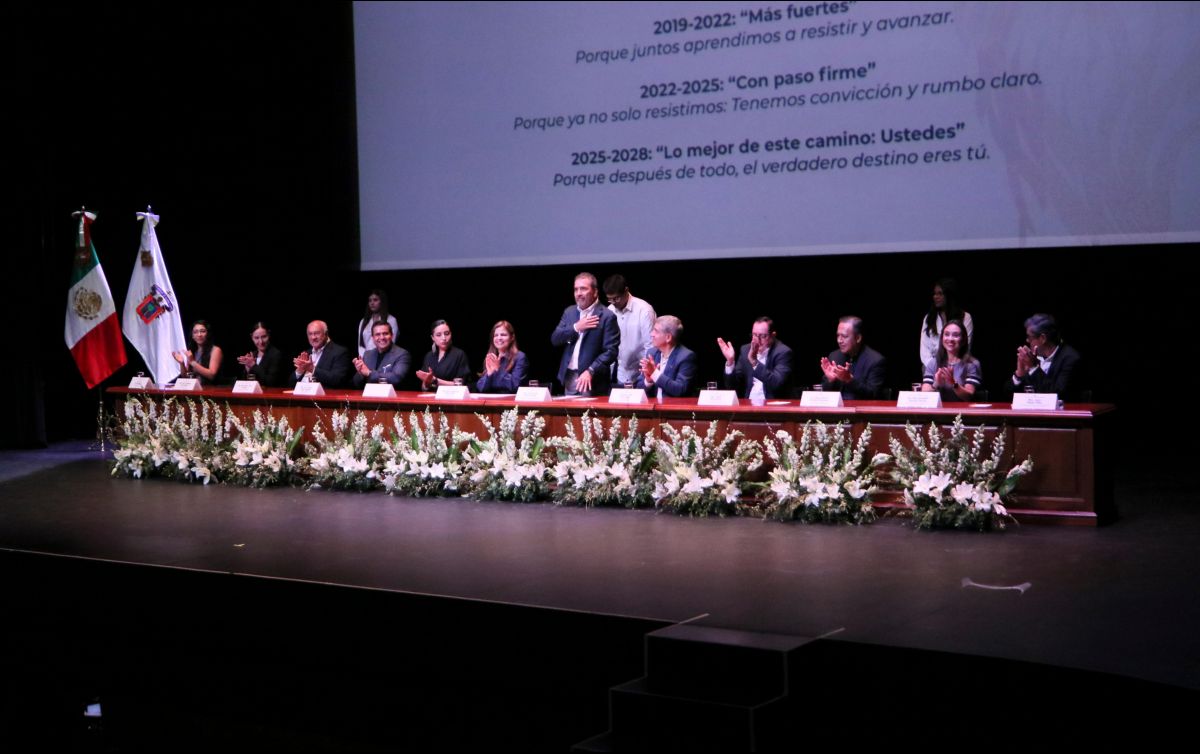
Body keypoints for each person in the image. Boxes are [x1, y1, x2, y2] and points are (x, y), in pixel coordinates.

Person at [552, 272, 620, 396]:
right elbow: (555, 339)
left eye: (583, 289)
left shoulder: (607, 316)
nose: (578, 293)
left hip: (593, 379)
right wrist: (576, 327)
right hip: (570, 377)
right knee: (568, 414)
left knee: (589, 415)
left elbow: (611, 351)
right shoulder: (569, 312)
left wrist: (591, 370)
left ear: (595, 292)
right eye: (576, 289)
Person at [717, 316, 794, 400]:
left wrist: (754, 362)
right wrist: (730, 362)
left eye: (763, 336)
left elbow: (776, 383)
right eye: (754, 335)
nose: (757, 340)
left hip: (772, 405)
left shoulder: (783, 352)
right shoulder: (745, 350)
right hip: (748, 405)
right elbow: (732, 386)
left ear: (773, 335)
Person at [1013, 313, 1083, 399]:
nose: (1027, 340)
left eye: (1029, 337)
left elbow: (1057, 394)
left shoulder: (1070, 358)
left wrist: (1034, 368)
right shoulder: (1034, 357)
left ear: (1043, 338)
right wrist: (1020, 373)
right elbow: (1008, 396)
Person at [604, 274, 656, 388]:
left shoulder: (644, 310)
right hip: (620, 372)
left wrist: (646, 374)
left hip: (642, 373)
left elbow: (651, 346)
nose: (613, 302)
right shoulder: (610, 310)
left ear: (626, 291)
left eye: (616, 298)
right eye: (609, 299)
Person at [820, 316, 886, 399]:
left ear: (858, 338)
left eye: (844, 336)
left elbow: (874, 395)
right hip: (836, 411)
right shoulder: (834, 356)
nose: (839, 340)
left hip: (861, 410)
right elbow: (824, 394)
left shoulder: (875, 360)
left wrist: (850, 380)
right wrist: (830, 380)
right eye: (838, 336)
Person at [636, 315, 696, 398]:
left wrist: (655, 374)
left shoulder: (686, 356)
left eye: (656, 331)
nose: (651, 334)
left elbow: (680, 389)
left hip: (674, 409)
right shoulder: (652, 353)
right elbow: (638, 388)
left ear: (668, 337)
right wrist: (648, 381)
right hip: (651, 408)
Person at [920, 278, 974, 370]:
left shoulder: (965, 317)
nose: (935, 297)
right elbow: (924, 349)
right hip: (933, 366)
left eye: (940, 294)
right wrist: (935, 368)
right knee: (926, 369)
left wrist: (952, 367)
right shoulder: (929, 318)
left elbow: (966, 346)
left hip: (958, 365)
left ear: (949, 295)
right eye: (935, 293)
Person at [921, 319, 981, 402]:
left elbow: (968, 396)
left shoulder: (971, 364)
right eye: (947, 334)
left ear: (963, 340)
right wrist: (936, 383)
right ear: (942, 339)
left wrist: (953, 383)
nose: (950, 339)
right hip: (939, 412)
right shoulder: (934, 363)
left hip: (963, 412)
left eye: (955, 335)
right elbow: (924, 394)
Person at [290, 320, 353, 388]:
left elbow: (338, 380)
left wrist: (312, 369)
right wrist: (299, 371)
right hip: (301, 395)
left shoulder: (340, 352)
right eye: (310, 334)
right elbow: (290, 384)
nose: (313, 337)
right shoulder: (306, 353)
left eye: (317, 333)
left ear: (326, 334)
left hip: (323, 396)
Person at [352, 321, 411, 389]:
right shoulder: (368, 354)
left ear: (392, 335)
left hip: (392, 397)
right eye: (377, 334)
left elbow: (396, 378)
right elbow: (356, 384)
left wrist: (369, 373)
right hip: (369, 397)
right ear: (373, 338)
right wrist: (360, 373)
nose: (382, 337)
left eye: (385, 333)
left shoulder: (402, 354)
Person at [415, 319, 471, 390]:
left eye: (447, 333)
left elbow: (460, 385)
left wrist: (435, 380)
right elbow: (424, 388)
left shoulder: (459, 355)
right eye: (439, 335)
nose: (444, 338)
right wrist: (426, 382)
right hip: (431, 398)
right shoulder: (429, 356)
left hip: (452, 398)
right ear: (433, 338)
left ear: (451, 334)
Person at [476, 320, 528, 394]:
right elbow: (480, 388)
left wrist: (499, 370)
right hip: (491, 402)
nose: (499, 338)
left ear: (512, 337)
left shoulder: (520, 357)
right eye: (496, 335)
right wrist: (489, 375)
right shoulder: (492, 357)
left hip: (512, 403)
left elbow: (516, 387)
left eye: (503, 335)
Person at [235, 321, 286, 387]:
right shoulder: (253, 354)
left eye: (264, 337)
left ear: (269, 334)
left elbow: (271, 382)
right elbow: (246, 384)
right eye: (256, 338)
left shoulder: (276, 354)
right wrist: (248, 369)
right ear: (251, 337)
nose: (261, 341)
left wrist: (253, 365)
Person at [173, 320, 223, 385]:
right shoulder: (193, 351)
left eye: (202, 331)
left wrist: (192, 362)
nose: (199, 335)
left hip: (211, 390)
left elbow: (211, 375)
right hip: (196, 390)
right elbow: (186, 377)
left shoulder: (216, 350)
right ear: (192, 336)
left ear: (208, 334)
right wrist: (181, 363)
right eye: (195, 332)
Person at [356, 289, 399, 358]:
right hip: (366, 358)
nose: (372, 303)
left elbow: (391, 342)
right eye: (370, 300)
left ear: (381, 301)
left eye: (375, 300)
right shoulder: (364, 321)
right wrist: (362, 358)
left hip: (384, 358)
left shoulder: (391, 320)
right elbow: (360, 344)